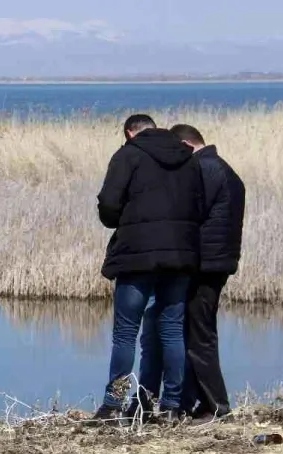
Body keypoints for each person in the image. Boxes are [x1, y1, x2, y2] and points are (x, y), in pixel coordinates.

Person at [93, 113, 203, 424]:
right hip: (180, 255)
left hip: (136, 254)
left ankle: (113, 404)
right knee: (172, 330)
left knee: (126, 332)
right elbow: (199, 205)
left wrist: (124, 220)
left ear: (130, 133)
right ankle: (171, 406)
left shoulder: (127, 155)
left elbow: (109, 204)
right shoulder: (187, 158)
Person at [168, 123, 246, 420]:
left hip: (206, 262)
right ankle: (197, 402)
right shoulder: (222, 168)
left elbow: (192, 213)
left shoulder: (204, 168)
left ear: (186, 146)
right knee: (198, 330)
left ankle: (216, 405)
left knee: (200, 335)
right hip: (218, 260)